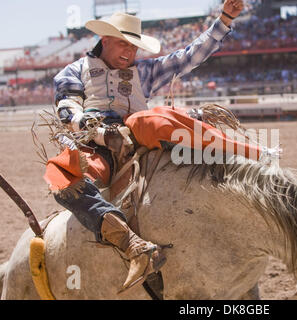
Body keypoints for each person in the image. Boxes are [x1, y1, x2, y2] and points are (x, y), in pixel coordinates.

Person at [43, 1, 271, 294]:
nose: (130, 53)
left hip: (144, 139)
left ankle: (243, 172)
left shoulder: (144, 71)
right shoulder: (73, 72)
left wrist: (224, 20)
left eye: (134, 48)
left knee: (178, 138)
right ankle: (129, 242)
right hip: (98, 149)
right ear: (105, 39)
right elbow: (68, 111)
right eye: (124, 45)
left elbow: (188, 57)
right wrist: (100, 132)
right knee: (62, 180)